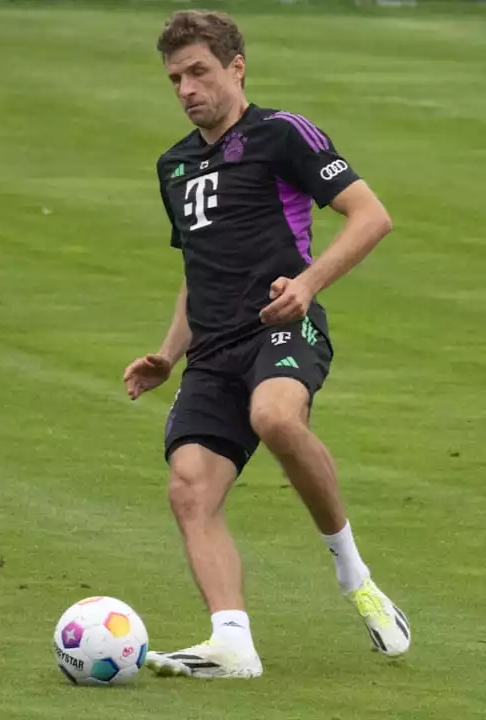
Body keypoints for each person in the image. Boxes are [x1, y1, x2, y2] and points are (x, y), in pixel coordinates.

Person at [122, 10, 409, 679]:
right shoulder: (174, 167)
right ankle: (232, 644)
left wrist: (306, 286)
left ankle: (352, 572)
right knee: (190, 490)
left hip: (283, 327)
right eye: (175, 78)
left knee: (276, 416)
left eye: (199, 72)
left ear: (235, 67)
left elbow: (372, 217)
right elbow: (198, 272)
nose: (187, 88)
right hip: (212, 352)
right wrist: (168, 354)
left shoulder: (282, 135)